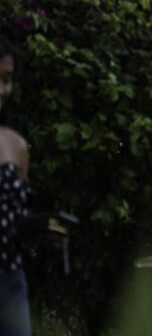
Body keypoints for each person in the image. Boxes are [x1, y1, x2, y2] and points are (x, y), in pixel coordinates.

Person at [0, 35, 31, 336]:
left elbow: (18, 220)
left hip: (10, 280)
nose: (2, 89)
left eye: (7, 79)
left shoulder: (17, 146)